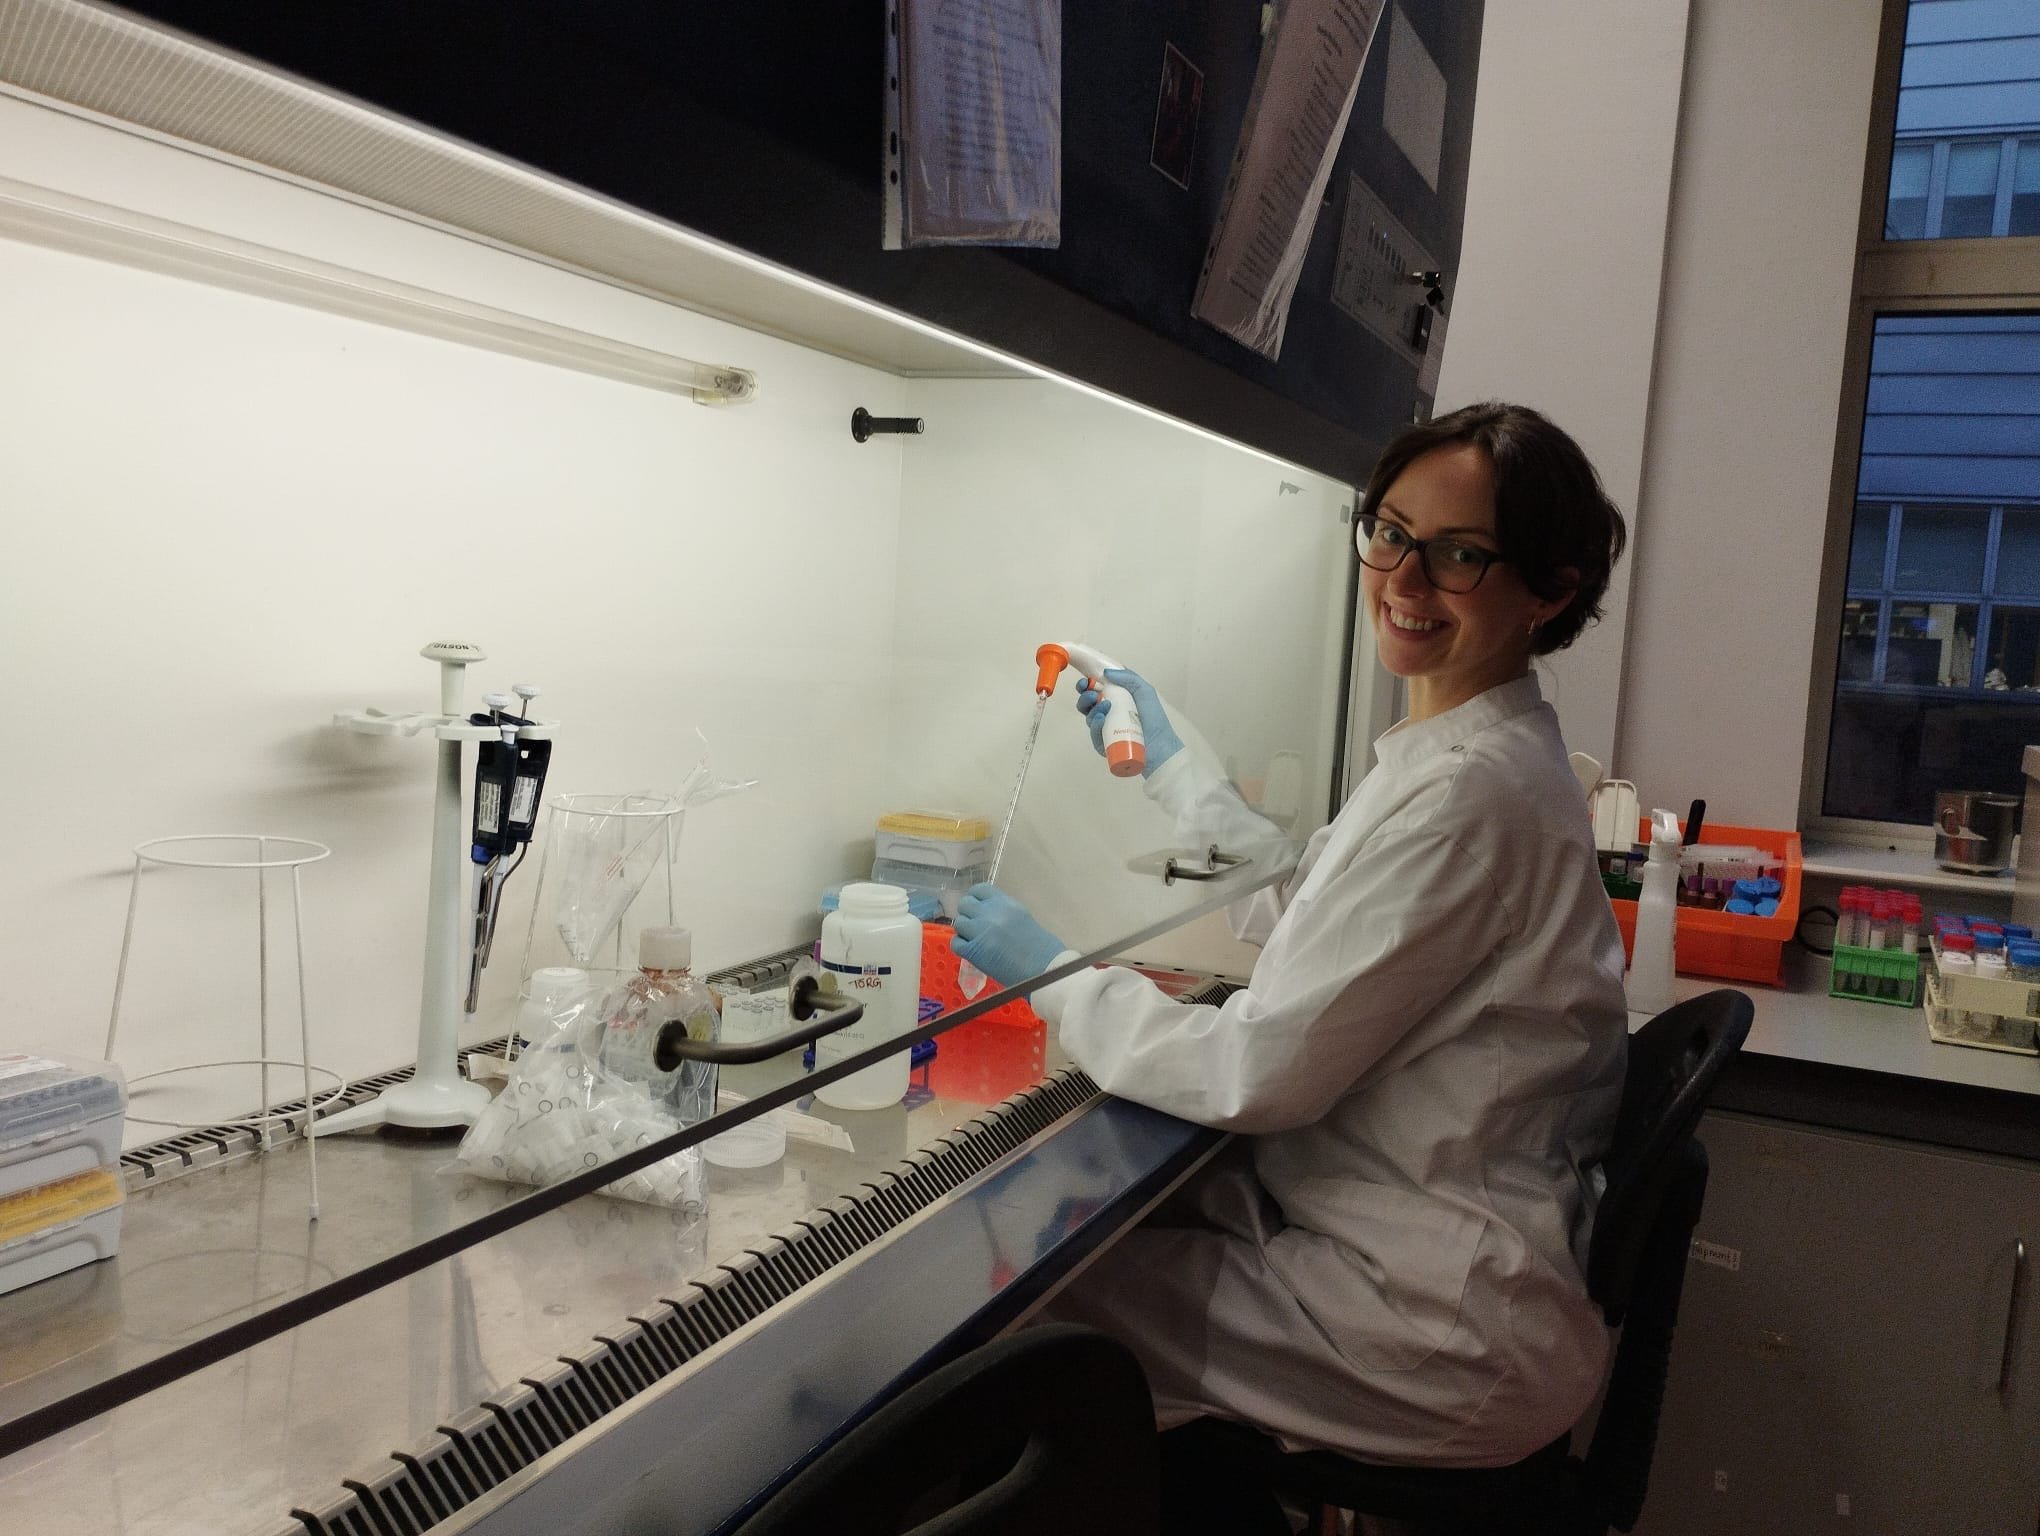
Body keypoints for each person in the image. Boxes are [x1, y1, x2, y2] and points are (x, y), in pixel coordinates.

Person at [950, 401, 1632, 1519]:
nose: (1404, 578)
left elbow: (1257, 1074)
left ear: (1547, 592)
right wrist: (1176, 771)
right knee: (1065, 1264)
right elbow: (1326, 907)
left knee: (1011, 1322)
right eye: (1391, 533)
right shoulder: (1466, 753)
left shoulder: (1472, 794)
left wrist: (1057, 980)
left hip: (1430, 1317)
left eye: (1460, 555)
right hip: (1415, 1241)